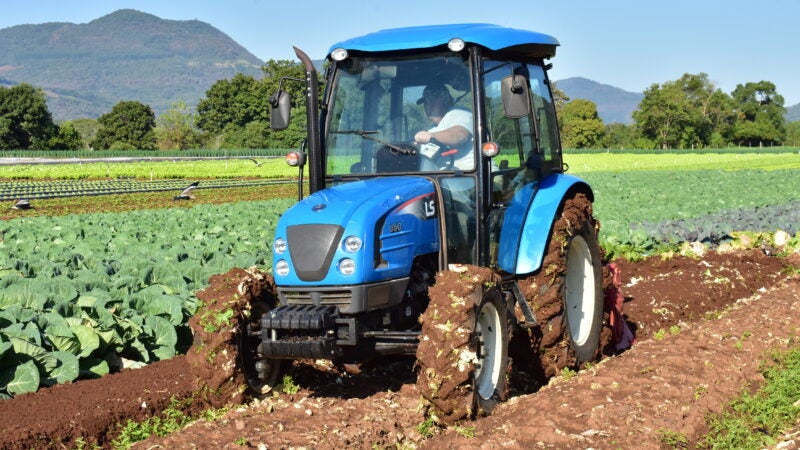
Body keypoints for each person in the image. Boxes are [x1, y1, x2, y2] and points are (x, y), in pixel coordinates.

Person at [414, 84, 474, 171]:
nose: (428, 107)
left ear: (445, 99)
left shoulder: (460, 113)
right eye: (426, 103)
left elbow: (459, 135)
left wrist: (432, 136)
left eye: (432, 101)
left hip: (470, 176)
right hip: (441, 179)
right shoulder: (432, 129)